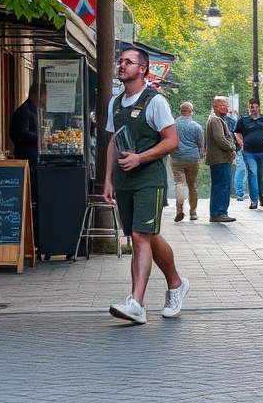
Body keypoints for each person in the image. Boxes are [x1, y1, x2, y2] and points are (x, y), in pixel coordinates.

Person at [104, 48, 189, 324]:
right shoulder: (115, 103)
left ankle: (136, 304)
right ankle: (176, 285)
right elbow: (113, 142)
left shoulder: (155, 102)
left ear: (143, 68)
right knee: (144, 236)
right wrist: (107, 179)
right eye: (120, 61)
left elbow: (171, 141)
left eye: (128, 62)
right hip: (123, 179)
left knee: (141, 237)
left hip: (149, 179)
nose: (122, 65)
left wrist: (140, 157)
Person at [232, 98, 263, 210]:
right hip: (249, 153)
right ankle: (254, 200)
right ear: (248, 107)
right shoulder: (243, 120)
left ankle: (261, 195)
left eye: (255, 107)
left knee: (261, 177)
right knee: (252, 173)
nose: (252, 109)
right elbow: (236, 132)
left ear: (259, 107)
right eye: (251, 107)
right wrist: (241, 143)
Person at [204, 96, 237, 223]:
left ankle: (219, 212)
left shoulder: (215, 119)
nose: (227, 108)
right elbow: (220, 139)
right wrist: (232, 147)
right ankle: (219, 212)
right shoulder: (215, 120)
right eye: (224, 105)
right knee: (222, 185)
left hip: (220, 159)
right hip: (220, 159)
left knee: (221, 185)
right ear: (216, 106)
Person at [9, 83, 46, 191]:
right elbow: (20, 134)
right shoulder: (23, 112)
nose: (45, 100)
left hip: (34, 159)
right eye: (44, 96)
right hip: (28, 159)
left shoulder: (33, 111)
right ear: (35, 95)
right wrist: (39, 138)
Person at [171, 101, 204, 222]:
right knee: (192, 185)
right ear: (191, 111)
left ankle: (179, 209)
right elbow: (201, 145)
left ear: (181, 111)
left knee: (179, 183)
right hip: (192, 159)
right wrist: (200, 157)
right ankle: (193, 212)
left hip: (176, 158)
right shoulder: (196, 126)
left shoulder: (173, 125)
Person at [227, 107, 246, 200]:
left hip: (237, 149)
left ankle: (238, 192)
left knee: (240, 169)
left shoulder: (235, 122)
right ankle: (238, 192)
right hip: (235, 150)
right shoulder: (229, 122)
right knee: (240, 169)